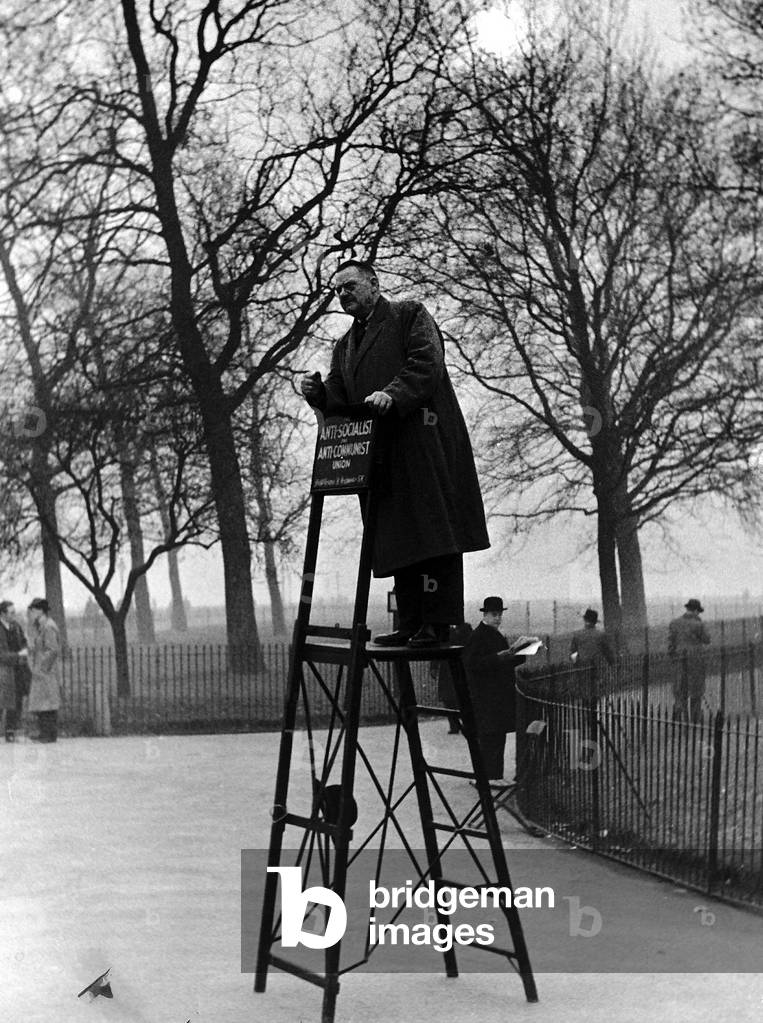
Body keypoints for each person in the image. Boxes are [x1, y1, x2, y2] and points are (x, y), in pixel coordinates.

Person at [301, 260, 489, 649]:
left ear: (373, 283)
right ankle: (410, 622)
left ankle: (436, 625)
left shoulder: (409, 315)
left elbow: (427, 363)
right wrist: (319, 394)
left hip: (422, 443)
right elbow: (341, 396)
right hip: (381, 455)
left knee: (433, 533)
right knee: (398, 535)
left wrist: (394, 393)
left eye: (349, 286)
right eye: (337, 291)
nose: (343, 295)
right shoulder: (344, 345)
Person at [461, 597, 526, 782]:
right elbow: (471, 664)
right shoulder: (478, 635)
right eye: (494, 614)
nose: (498, 618)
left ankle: (492, 776)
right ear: (485, 614)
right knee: (490, 737)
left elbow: (503, 661)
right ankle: (489, 777)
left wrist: (521, 654)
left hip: (497, 695)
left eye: (500, 614)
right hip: (486, 695)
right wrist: (497, 658)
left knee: (496, 735)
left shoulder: (494, 634)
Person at [668, 598, 710, 722]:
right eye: (698, 612)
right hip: (695, 661)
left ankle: (678, 713)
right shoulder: (699, 624)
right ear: (696, 610)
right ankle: (695, 718)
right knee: (696, 689)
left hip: (679, 661)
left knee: (679, 687)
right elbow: (707, 640)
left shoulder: (674, 623)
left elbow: (670, 643)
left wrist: (674, 657)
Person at [27, 598, 62, 742]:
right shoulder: (42, 626)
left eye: (33, 611)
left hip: (46, 672)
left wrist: (42, 666)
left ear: (41, 611)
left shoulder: (48, 627)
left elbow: (52, 649)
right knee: (44, 702)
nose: (31, 614)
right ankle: (45, 733)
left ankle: (48, 734)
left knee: (47, 702)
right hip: (43, 672)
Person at [433, 622, 473, 734]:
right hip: (446, 669)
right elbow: (437, 648)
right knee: (448, 699)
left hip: (461, 668)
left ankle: (467, 724)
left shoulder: (466, 629)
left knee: (462, 698)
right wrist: (434, 666)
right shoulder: (444, 630)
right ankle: (454, 725)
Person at [0, 601, 30, 742]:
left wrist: (25, 649)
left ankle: (10, 731)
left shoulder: (16, 626)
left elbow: (24, 641)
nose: (14, 615)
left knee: (16, 700)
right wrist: (18, 655)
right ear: (3, 614)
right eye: (11, 613)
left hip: (18, 669)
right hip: (3, 670)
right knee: (2, 700)